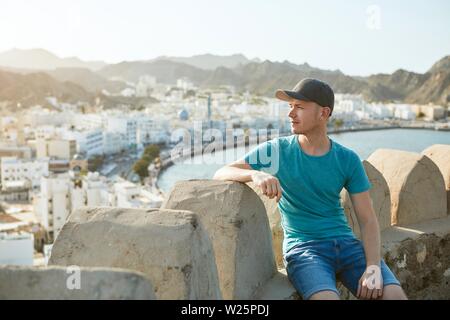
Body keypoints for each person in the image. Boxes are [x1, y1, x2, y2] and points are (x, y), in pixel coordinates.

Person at [213, 78, 407, 300]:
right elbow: (222, 172)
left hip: (347, 246)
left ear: (323, 113)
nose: (291, 114)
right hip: (305, 250)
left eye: (300, 107)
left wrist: (372, 266)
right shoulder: (277, 151)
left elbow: (368, 219)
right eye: (290, 106)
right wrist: (254, 173)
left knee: (394, 296)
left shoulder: (347, 159)